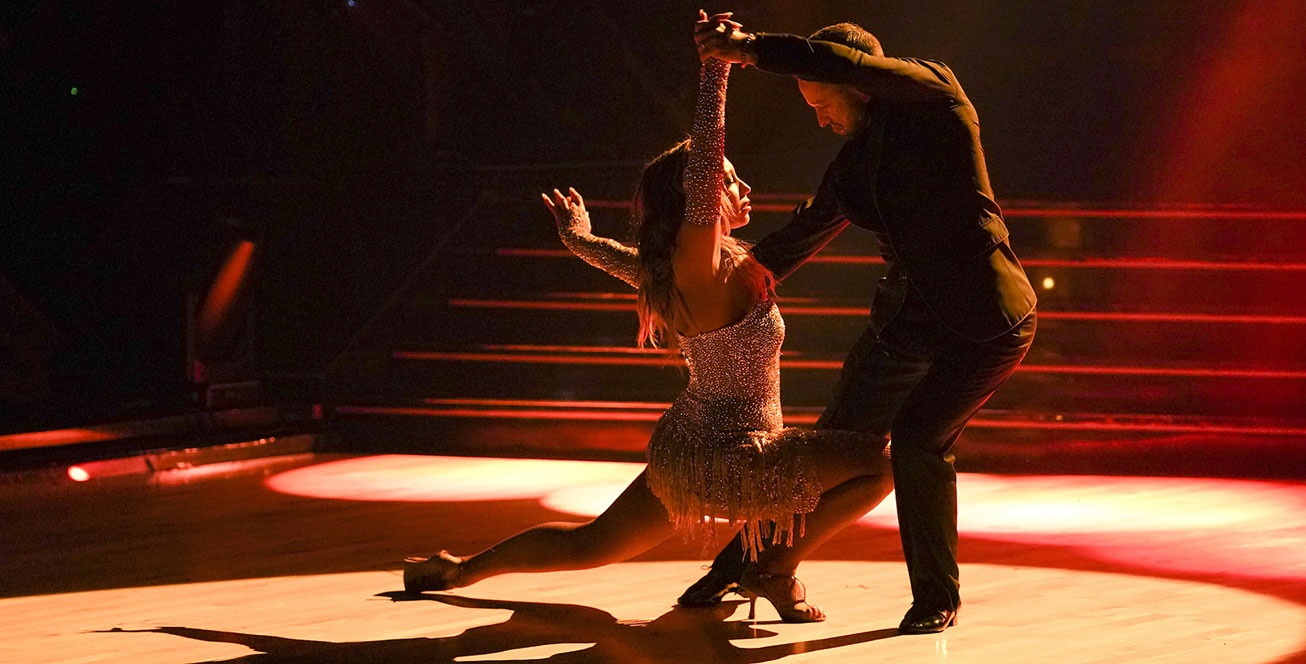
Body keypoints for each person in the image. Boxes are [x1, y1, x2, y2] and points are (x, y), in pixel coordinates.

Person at [403, 13, 894, 623]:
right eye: (729, 181)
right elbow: (704, 160)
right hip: (732, 457)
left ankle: (458, 569)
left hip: (688, 450)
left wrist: (582, 241)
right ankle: (773, 570)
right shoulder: (700, 260)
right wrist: (717, 68)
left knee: (590, 544)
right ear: (703, 196)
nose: (741, 187)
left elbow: (629, 261)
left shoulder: (684, 270)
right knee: (876, 469)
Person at [684, 17, 1038, 634]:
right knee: (828, 449)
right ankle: (740, 565)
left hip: (987, 319)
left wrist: (750, 51)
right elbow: (812, 222)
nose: (820, 119)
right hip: (907, 319)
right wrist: (748, 267)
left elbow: (846, 65)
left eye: (822, 103)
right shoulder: (855, 161)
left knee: (919, 439)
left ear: (854, 83)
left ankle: (936, 597)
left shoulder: (938, 97)